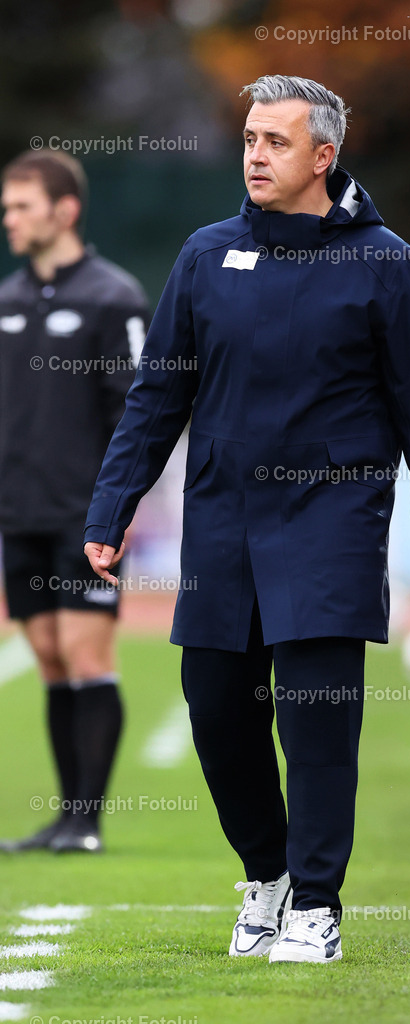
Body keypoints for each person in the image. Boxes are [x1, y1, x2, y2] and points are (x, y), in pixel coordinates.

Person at [84, 75, 410, 960]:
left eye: (276, 142)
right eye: (250, 138)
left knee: (315, 721)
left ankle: (318, 907)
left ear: (323, 158)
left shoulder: (385, 263)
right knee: (217, 715)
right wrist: (111, 507)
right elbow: (157, 399)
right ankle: (267, 875)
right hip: (221, 525)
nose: (255, 155)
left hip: (331, 526)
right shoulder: (204, 254)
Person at [0, 149, 149, 853]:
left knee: (86, 656)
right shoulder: (9, 299)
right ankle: (64, 815)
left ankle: (87, 823)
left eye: (21, 206)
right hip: (18, 513)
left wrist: (117, 509)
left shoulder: (113, 297)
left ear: (64, 210)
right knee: (50, 658)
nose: (10, 219)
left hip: (83, 515)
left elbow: (137, 412)